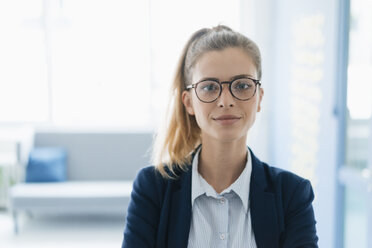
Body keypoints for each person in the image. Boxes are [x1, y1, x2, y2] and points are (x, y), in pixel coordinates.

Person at [121, 25, 318, 248]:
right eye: (209, 87)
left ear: (259, 98)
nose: (226, 101)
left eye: (242, 85)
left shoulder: (291, 194)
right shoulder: (153, 189)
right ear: (189, 102)